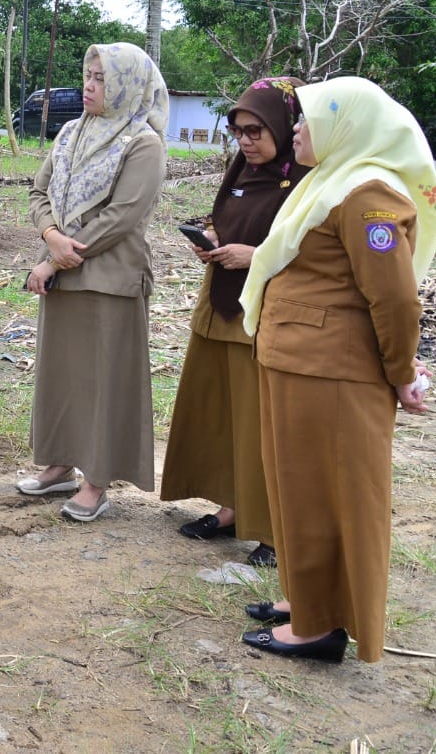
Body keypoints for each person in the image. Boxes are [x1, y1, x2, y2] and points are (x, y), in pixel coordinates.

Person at [237, 77, 436, 664]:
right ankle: (305, 600)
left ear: (342, 125)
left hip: (332, 371)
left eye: (306, 118)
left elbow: (396, 300)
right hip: (300, 362)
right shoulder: (330, 183)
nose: (295, 129)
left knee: (328, 495)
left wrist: (402, 371)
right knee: (296, 490)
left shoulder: (367, 195)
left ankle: (321, 627)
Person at [160, 77, 309, 568]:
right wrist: (209, 236)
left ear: (285, 127)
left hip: (265, 315)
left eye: (256, 130)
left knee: (260, 422)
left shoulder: (309, 177)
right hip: (220, 305)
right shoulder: (241, 167)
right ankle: (231, 510)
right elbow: (223, 216)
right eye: (238, 129)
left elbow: (316, 251)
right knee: (221, 414)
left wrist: (258, 257)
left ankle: (270, 529)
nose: (246, 140)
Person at [20, 42, 168, 522]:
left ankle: (96, 482)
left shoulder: (143, 143)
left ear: (127, 85)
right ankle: (60, 464)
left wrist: (59, 255)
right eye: (88, 75)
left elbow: (122, 217)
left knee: (103, 382)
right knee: (63, 377)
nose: (89, 85)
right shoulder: (70, 132)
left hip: (109, 279)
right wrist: (49, 237)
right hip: (63, 272)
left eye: (102, 78)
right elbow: (40, 190)